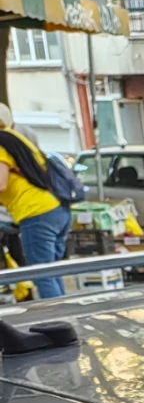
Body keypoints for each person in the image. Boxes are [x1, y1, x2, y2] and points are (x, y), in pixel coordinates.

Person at [0, 106, 71, 299]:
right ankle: (66, 311)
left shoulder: (1, 145)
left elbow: (1, 184)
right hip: (57, 208)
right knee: (51, 271)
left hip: (36, 213)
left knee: (42, 274)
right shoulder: (16, 139)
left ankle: (58, 314)